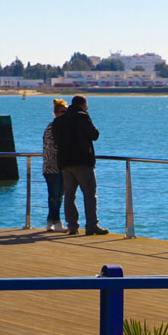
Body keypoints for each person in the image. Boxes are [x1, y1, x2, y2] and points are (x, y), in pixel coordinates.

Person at [51, 95, 109, 235]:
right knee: (89, 195)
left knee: (69, 196)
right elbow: (94, 135)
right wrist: (87, 116)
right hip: (83, 162)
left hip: (65, 162)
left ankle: (72, 227)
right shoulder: (83, 117)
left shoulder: (58, 121)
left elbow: (56, 140)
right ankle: (91, 226)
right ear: (83, 105)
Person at [41, 98, 68, 232]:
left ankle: (50, 221)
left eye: (66, 112)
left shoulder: (63, 127)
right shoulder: (51, 127)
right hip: (51, 167)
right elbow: (51, 147)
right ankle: (57, 222)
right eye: (63, 112)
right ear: (56, 113)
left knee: (59, 196)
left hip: (62, 166)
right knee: (54, 196)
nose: (65, 114)